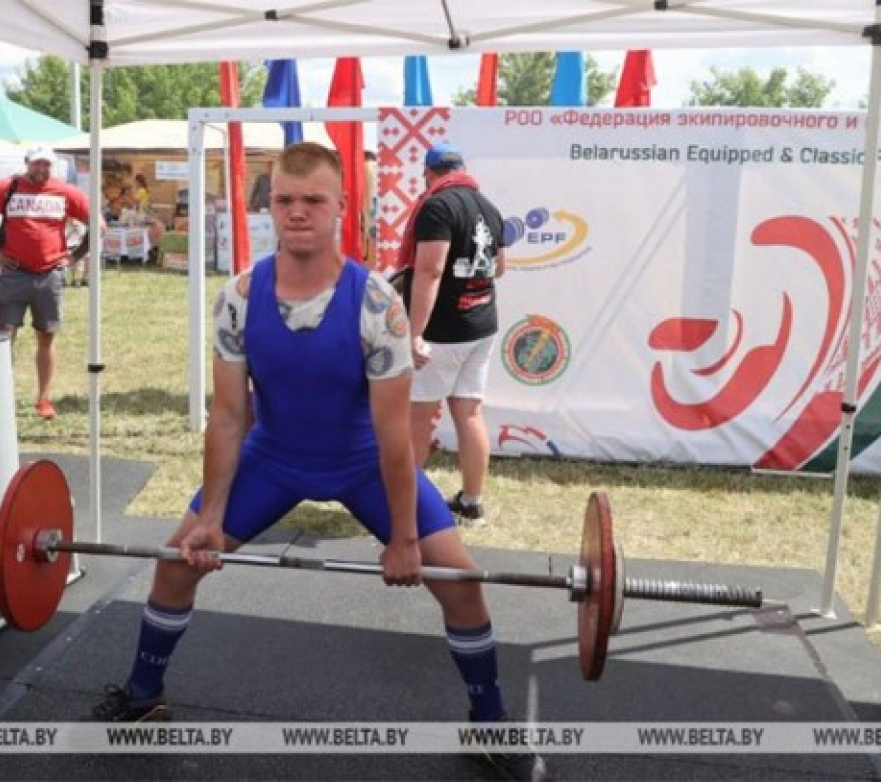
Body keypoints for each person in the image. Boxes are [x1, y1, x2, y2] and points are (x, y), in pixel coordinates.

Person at [88, 143, 546, 781]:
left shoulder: (378, 304)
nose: (297, 212)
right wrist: (211, 516)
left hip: (364, 460)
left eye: (312, 200)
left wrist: (404, 539)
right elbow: (229, 417)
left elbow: (393, 433)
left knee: (462, 586)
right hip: (273, 458)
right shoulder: (239, 297)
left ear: (340, 207)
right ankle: (143, 697)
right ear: (270, 205)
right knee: (173, 567)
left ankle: (489, 724)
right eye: (284, 200)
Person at [400, 141, 506, 528]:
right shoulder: (488, 207)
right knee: (470, 413)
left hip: (443, 331)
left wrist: (415, 333)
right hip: (482, 324)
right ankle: (472, 503)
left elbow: (429, 271)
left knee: (417, 418)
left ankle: (407, 507)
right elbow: (499, 268)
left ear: (429, 173)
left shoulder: (437, 206)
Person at [0, 145, 90, 420]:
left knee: (46, 336)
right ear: (27, 163)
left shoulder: (65, 192)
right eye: (36, 164)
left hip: (49, 274)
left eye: (47, 165)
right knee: (3, 337)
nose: (41, 169)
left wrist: (75, 256)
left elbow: (97, 224)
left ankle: (43, 398)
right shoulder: (6, 188)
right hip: (14, 274)